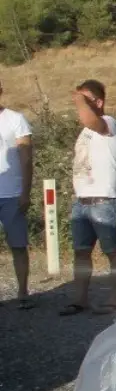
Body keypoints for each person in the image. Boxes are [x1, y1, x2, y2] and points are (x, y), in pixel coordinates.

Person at [60, 80, 116, 316]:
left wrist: (78, 98)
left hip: (104, 200)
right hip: (82, 201)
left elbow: (90, 119)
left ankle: (115, 300)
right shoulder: (86, 131)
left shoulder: (109, 123)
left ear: (98, 102)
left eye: (86, 100)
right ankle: (79, 300)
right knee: (80, 252)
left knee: (113, 251)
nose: (80, 104)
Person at [0, 81, 33, 310]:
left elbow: (26, 158)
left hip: (12, 194)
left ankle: (22, 292)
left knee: (18, 245)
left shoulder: (16, 119)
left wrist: (26, 191)